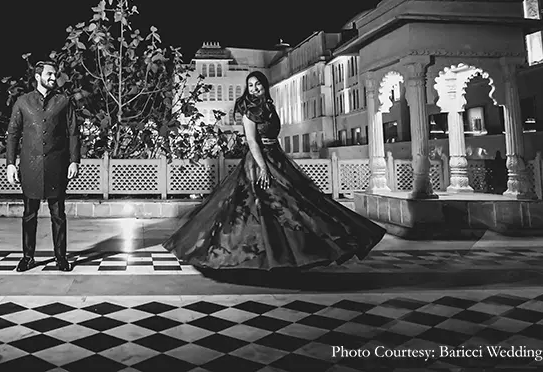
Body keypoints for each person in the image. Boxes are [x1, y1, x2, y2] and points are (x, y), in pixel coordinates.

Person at [163, 71, 385, 271]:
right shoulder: (249, 112)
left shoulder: (270, 107)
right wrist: (263, 168)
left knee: (297, 205)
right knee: (258, 208)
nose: (254, 88)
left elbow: (272, 137)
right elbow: (252, 141)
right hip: (259, 162)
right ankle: (255, 256)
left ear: (264, 86)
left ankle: (293, 253)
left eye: (258, 84)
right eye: (250, 85)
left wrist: (275, 161)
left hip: (277, 157)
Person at [6, 61, 80, 272]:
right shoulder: (23, 102)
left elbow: (73, 132)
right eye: (49, 74)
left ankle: (61, 258)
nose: (53, 78)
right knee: (29, 215)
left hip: (57, 165)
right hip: (30, 166)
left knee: (59, 215)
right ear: (38, 76)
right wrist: (10, 164)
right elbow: (13, 134)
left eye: (55, 74)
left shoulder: (63, 102)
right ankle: (28, 257)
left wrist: (74, 160)